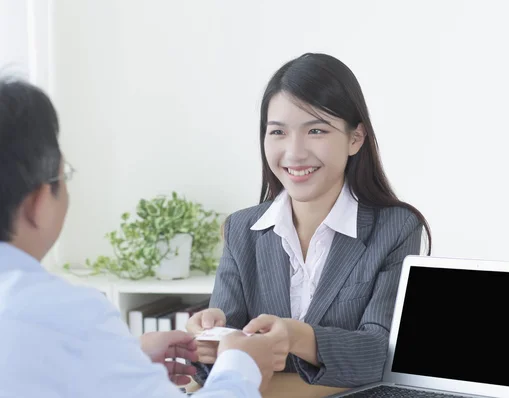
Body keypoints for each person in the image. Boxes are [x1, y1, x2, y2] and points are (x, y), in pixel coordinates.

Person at [0, 77, 285, 397]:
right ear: (39, 202)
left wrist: (124, 359)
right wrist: (240, 365)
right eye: (64, 176)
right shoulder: (66, 315)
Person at [187, 53, 432, 388]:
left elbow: (381, 355)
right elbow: (219, 364)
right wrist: (207, 341)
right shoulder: (242, 230)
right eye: (278, 132)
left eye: (316, 130)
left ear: (355, 138)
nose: (295, 152)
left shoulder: (396, 228)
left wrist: (297, 336)